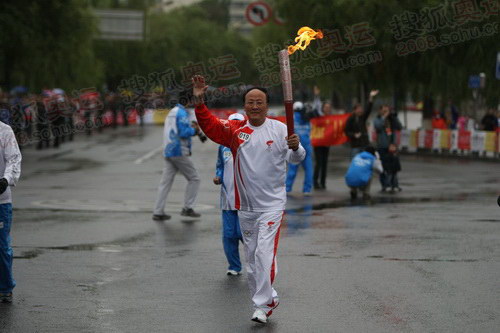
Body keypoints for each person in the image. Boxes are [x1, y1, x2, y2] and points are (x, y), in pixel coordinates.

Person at [192, 75, 305, 324]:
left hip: (272, 205)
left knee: (265, 254)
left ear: (267, 105)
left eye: (260, 102)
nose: (255, 106)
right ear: (244, 106)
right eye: (251, 102)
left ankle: (263, 304)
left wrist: (296, 147)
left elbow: (296, 159)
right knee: (252, 260)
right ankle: (264, 303)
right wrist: (200, 101)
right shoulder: (235, 132)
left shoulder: (280, 129)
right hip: (246, 208)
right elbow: (209, 125)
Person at [152, 88, 202, 221]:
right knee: (194, 178)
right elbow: (183, 132)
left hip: (168, 149)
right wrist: (195, 131)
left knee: (165, 182)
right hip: (178, 150)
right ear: (189, 99)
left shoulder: (173, 111)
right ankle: (187, 208)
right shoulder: (182, 113)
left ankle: (158, 211)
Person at [213, 113, 245, 276]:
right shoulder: (223, 146)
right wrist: (218, 175)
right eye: (232, 124)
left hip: (247, 200)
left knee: (245, 235)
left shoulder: (249, 144)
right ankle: (234, 266)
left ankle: (257, 266)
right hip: (227, 198)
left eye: (237, 124)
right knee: (229, 234)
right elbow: (220, 164)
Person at [0, 121, 22, 303]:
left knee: (1, 247)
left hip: (1, 200)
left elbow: (13, 159)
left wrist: (6, 179)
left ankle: (5, 287)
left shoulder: (4, 131)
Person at [286, 101, 313, 195]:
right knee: (309, 170)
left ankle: (287, 189)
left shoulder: (291, 119)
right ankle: (307, 190)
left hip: (295, 147)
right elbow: (310, 130)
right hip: (307, 147)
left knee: (292, 169)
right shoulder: (307, 119)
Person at [373, 105, 402, 191]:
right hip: (382, 146)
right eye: (384, 111)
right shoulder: (377, 119)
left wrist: (394, 117)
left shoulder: (391, 119)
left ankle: (394, 185)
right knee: (383, 167)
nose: (386, 112)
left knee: (394, 167)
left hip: (392, 146)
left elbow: (399, 127)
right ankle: (385, 185)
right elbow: (378, 126)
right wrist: (384, 117)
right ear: (380, 111)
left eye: (387, 111)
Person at [344, 90, 379, 158]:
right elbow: (346, 131)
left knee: (365, 161)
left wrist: (371, 97)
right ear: (354, 110)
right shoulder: (350, 119)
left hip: (364, 143)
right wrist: (354, 135)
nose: (361, 110)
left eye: (361, 109)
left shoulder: (362, 117)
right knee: (356, 161)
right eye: (359, 109)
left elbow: (368, 109)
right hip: (355, 145)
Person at [313, 101, 331, 190]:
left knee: (325, 163)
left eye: (329, 107)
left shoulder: (332, 118)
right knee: (319, 163)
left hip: (326, 143)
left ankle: (323, 182)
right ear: (323, 108)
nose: (327, 109)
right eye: (326, 107)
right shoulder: (319, 116)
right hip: (318, 143)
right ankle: (315, 182)